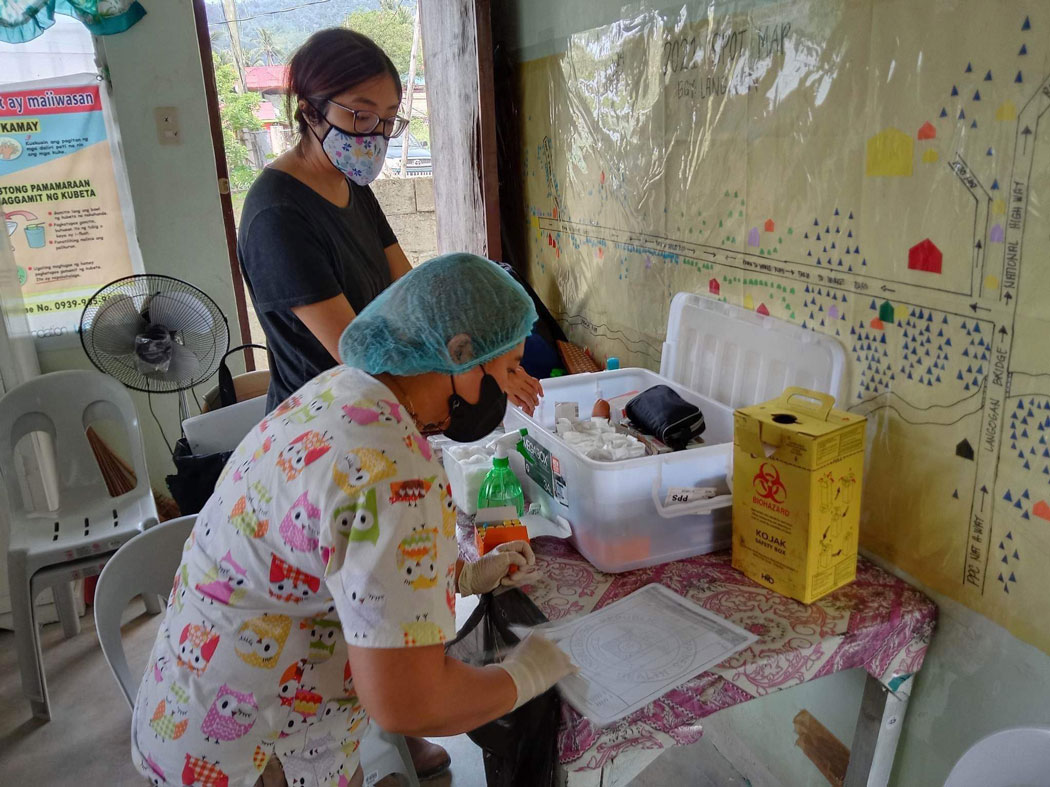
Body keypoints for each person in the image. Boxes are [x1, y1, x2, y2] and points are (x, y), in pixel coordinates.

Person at [131, 254, 575, 787]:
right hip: (249, 754)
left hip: (186, 713)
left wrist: (456, 574)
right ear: (460, 355)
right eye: (506, 369)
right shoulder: (394, 465)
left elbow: (333, 553)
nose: (511, 388)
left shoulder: (340, 391)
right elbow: (410, 703)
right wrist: (527, 672)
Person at [238, 28, 542, 417]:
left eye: (388, 119)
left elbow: (415, 293)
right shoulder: (278, 215)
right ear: (311, 110)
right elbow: (355, 353)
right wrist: (475, 368)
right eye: (362, 116)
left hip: (375, 407)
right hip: (323, 421)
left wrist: (488, 355)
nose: (377, 135)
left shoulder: (350, 185)